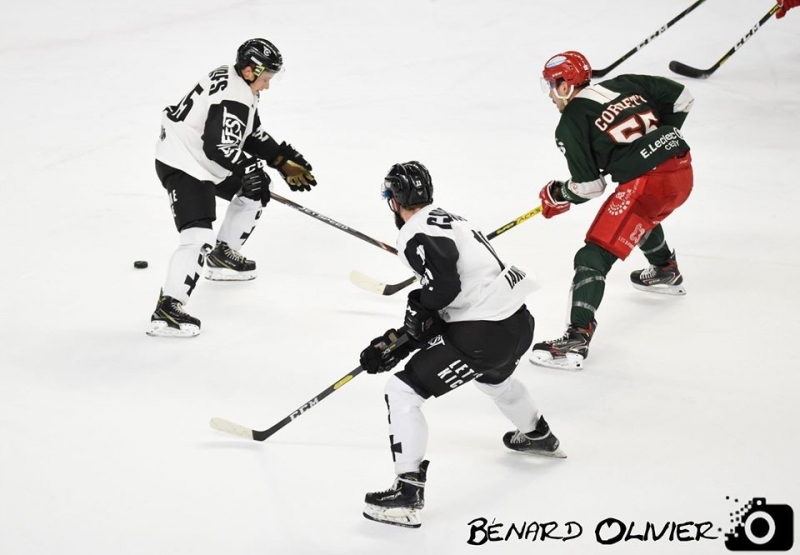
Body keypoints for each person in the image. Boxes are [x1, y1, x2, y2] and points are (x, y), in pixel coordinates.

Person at [358, 161, 565, 529]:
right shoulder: (454, 218)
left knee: (402, 392)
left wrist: (415, 317)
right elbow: (453, 295)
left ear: (394, 200)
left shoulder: (414, 232)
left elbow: (444, 291)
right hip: (517, 324)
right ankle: (538, 434)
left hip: (483, 335)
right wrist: (405, 336)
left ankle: (407, 495)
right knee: (494, 380)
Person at [529, 51, 694, 370]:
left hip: (649, 183)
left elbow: (589, 187)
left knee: (592, 257)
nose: (550, 94)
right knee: (640, 214)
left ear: (566, 86)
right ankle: (665, 270)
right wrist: (659, 140)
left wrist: (559, 194)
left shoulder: (571, 121)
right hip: (683, 171)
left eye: (552, 85)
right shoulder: (626, 83)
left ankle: (575, 340)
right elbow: (682, 97)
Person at [147, 38, 316, 338]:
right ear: (251, 70)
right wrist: (249, 168)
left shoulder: (235, 79)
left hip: (200, 155)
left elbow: (247, 133)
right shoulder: (236, 95)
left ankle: (223, 254)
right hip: (183, 162)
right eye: (265, 79)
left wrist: (281, 158)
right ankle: (168, 309)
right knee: (196, 237)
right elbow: (218, 147)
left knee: (256, 190)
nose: (267, 86)